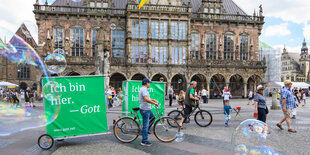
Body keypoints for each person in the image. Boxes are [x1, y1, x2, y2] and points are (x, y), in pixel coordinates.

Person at [139, 78, 158, 146]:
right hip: (145, 110)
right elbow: (146, 99)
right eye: (149, 83)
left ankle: (146, 131)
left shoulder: (144, 89)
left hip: (147, 109)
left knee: (153, 118)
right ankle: (144, 140)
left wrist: (153, 99)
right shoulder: (144, 89)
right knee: (145, 125)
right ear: (146, 83)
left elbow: (148, 98)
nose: (149, 84)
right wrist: (154, 103)